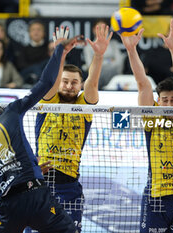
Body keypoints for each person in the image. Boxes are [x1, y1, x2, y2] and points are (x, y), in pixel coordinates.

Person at [0, 30, 83, 233]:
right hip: (36, 195)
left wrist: (10, 209)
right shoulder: (9, 113)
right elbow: (46, 83)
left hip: (8, 207)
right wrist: (59, 50)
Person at [121, 18, 173, 232]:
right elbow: (142, 84)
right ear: (158, 102)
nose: (169, 104)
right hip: (155, 197)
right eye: (164, 100)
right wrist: (131, 51)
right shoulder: (152, 119)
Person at [35, 23, 112, 233]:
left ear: (79, 86)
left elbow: (93, 84)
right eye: (65, 82)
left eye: (74, 83)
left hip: (69, 186)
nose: (69, 86)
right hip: (40, 184)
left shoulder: (83, 107)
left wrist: (98, 56)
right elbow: (50, 79)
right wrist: (59, 53)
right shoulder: (48, 101)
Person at [83, 19, 124, 90]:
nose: (102, 30)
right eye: (99, 28)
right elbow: (90, 65)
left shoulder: (114, 44)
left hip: (114, 76)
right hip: (96, 78)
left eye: (104, 28)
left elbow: (119, 63)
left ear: (107, 30)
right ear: (93, 30)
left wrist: (99, 62)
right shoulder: (88, 47)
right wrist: (110, 60)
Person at [16, 20, 49, 86]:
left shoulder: (49, 48)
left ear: (44, 33)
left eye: (39, 30)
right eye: (33, 30)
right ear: (29, 33)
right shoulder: (23, 49)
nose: (36, 32)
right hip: (27, 79)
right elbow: (21, 65)